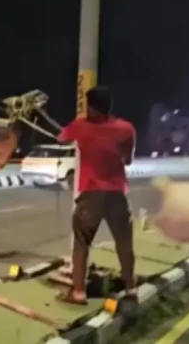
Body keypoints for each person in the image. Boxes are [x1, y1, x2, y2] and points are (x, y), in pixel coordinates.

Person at [55, 85, 137, 306]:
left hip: (91, 195)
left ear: (90, 106)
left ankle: (78, 292)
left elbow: (61, 137)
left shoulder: (80, 126)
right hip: (117, 194)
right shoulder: (126, 128)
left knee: (82, 243)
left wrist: (81, 126)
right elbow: (128, 160)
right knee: (124, 243)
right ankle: (131, 288)